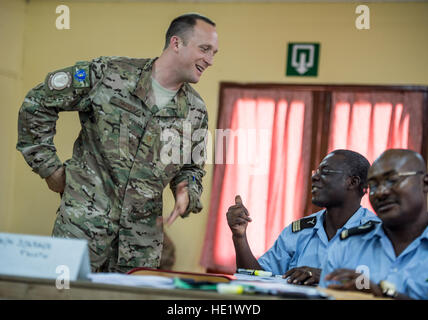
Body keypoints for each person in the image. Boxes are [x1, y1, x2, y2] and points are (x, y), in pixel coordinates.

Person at [16, 13, 219, 273]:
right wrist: (49, 168)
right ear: (176, 43)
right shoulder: (109, 75)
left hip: (139, 247)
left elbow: (192, 168)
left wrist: (185, 190)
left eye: (214, 53)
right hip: (82, 231)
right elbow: (38, 102)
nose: (210, 60)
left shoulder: (196, 111)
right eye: (205, 49)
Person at [226, 149, 380, 285]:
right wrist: (239, 237)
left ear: (352, 182)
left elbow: (385, 285)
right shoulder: (299, 231)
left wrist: (327, 277)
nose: (315, 178)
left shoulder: (377, 233)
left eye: (325, 172)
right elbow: (255, 277)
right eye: (316, 172)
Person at [320, 149, 428, 299]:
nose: (381, 192)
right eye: (373, 185)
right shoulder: (346, 246)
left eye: (392, 180)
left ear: (425, 183)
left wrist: (383, 295)